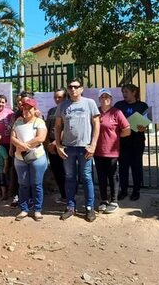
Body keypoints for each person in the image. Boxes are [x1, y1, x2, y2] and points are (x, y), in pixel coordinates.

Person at [55, 78, 100, 222]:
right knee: (69, 178)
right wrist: (58, 145)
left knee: (86, 177)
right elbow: (57, 127)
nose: (73, 89)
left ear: (81, 89)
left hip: (84, 147)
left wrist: (93, 145)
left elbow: (96, 125)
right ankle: (70, 207)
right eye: (70, 87)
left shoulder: (90, 103)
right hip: (68, 148)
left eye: (76, 87)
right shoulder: (62, 105)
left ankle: (89, 208)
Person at [11, 98, 48, 221]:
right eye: (24, 108)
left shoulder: (39, 122)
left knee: (36, 184)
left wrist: (25, 145)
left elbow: (41, 138)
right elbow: (12, 137)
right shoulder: (18, 121)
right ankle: (24, 209)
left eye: (29, 108)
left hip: (36, 156)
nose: (26, 110)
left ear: (34, 109)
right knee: (23, 184)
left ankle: (37, 210)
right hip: (20, 157)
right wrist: (19, 145)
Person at [95, 89, 131, 214]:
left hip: (112, 151)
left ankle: (114, 200)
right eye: (102, 96)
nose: (105, 98)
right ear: (99, 99)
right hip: (98, 150)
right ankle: (104, 200)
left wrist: (115, 138)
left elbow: (127, 129)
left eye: (108, 96)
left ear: (111, 98)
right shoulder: (95, 112)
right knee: (101, 177)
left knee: (113, 176)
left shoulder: (117, 112)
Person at [114, 84, 149, 201]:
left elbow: (147, 123)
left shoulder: (142, 105)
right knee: (123, 167)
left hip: (137, 141)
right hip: (123, 141)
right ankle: (123, 190)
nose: (124, 94)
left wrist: (143, 127)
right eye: (123, 92)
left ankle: (136, 190)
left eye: (126, 92)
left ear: (134, 92)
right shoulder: (119, 106)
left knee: (136, 166)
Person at [45, 88, 68, 202]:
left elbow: (67, 128)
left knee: (66, 171)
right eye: (55, 97)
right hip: (51, 145)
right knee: (56, 171)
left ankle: (68, 195)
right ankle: (63, 195)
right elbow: (46, 128)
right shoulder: (51, 111)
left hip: (63, 144)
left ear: (65, 97)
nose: (57, 99)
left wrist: (56, 143)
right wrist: (48, 144)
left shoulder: (68, 109)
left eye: (60, 97)